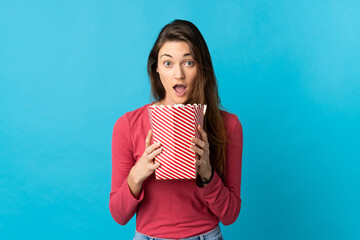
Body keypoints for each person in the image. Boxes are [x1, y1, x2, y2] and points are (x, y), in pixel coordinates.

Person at [109, 19, 243, 240]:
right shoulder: (127, 125)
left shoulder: (228, 125)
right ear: (157, 69)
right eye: (168, 63)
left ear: (201, 67)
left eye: (188, 62)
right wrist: (137, 175)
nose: (178, 74)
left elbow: (230, 215)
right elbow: (119, 215)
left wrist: (207, 174)